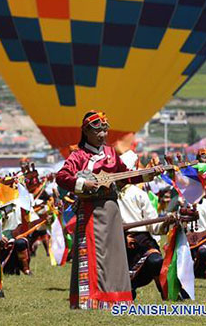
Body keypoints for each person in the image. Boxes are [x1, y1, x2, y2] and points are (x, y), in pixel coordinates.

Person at [55, 111, 160, 310]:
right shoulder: (78, 155)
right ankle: (92, 298)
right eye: (97, 130)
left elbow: (125, 176)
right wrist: (82, 183)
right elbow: (61, 177)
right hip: (91, 211)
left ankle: (115, 297)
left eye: (105, 130)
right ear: (86, 131)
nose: (102, 134)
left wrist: (148, 175)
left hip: (112, 210)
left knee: (114, 256)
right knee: (95, 256)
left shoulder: (111, 153)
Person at [117, 154, 171, 300]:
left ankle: (165, 290)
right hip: (116, 242)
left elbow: (153, 224)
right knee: (126, 295)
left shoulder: (138, 194)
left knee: (155, 261)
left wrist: (166, 222)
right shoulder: (106, 194)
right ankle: (129, 287)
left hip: (142, 240)